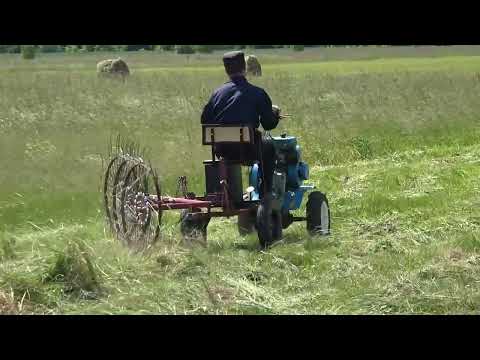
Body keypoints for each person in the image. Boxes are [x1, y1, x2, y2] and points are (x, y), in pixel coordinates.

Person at [201, 51, 281, 196]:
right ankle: (266, 190)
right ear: (244, 68)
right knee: (269, 147)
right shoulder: (257, 92)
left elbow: (205, 120)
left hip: (222, 150)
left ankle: (230, 193)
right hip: (249, 149)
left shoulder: (217, 93)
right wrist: (275, 115)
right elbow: (268, 124)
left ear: (226, 70)